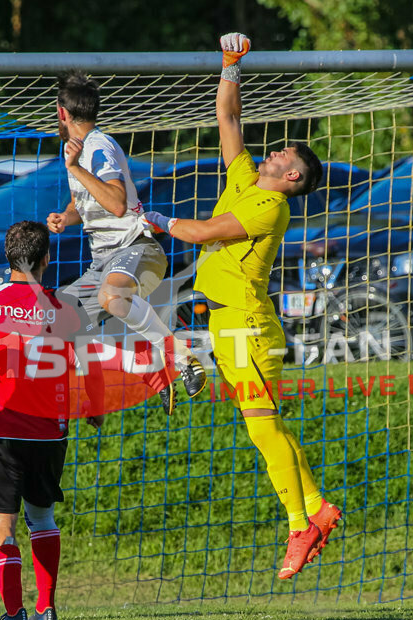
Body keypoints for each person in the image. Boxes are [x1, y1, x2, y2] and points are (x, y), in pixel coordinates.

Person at [141, 32, 341, 580]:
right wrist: (231, 63)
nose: (274, 151)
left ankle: (300, 523)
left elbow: (203, 230)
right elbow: (227, 118)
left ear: (292, 176)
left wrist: (151, 218)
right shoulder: (245, 178)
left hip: (249, 327)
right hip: (230, 324)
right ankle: (317, 507)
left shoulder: (271, 206)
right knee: (265, 423)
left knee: (260, 426)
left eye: (283, 154)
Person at [48, 69, 206, 415]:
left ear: (62, 113)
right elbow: (88, 200)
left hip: (137, 248)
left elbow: (117, 203)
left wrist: (75, 169)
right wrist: (66, 217)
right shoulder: (79, 151)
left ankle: (180, 355)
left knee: (113, 296)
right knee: (58, 328)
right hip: (102, 261)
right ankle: (149, 370)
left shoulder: (97, 147)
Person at [0, 221, 96, 620]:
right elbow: (89, 367)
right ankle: (47, 610)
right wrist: (93, 408)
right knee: (42, 518)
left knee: (1, 527)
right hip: (50, 431)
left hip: (3, 429)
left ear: (8, 258)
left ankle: (13, 614)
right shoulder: (67, 306)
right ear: (46, 259)